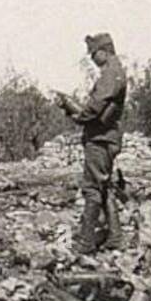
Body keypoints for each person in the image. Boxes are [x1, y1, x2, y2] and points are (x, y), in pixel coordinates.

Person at [53, 33, 128, 252]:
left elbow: (96, 108)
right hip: (104, 137)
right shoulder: (114, 72)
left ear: (104, 51)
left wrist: (77, 114)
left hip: (101, 139)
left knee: (92, 188)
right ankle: (115, 237)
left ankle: (86, 241)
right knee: (103, 188)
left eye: (94, 54)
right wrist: (72, 108)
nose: (93, 59)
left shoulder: (111, 73)